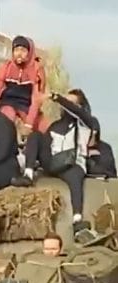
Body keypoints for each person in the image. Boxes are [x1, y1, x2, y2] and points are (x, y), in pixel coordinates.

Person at [11, 89, 96, 234]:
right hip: (53, 162)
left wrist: (56, 96)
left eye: (71, 102)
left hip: (72, 164)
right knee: (35, 136)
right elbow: (42, 145)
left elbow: (78, 112)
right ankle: (28, 175)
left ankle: (77, 219)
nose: (66, 105)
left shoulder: (86, 122)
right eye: (66, 101)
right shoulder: (55, 126)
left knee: (76, 177)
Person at [0, 36, 49, 133]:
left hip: (27, 105)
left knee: (43, 128)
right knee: (6, 119)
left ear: (29, 52)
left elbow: (36, 98)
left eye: (23, 50)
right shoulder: (7, 67)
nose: (19, 54)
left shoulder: (36, 70)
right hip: (8, 102)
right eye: (16, 50)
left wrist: (29, 124)